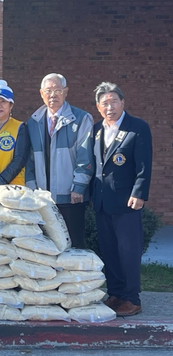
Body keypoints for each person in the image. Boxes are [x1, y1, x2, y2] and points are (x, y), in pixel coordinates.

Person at [92, 82, 152, 317]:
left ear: (122, 103)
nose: (110, 107)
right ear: (98, 106)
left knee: (128, 251)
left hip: (127, 201)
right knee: (109, 251)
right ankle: (115, 293)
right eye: (104, 103)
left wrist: (139, 193)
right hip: (102, 201)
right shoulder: (97, 129)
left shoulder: (137, 127)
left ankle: (132, 298)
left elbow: (144, 165)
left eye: (113, 101)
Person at [25, 73, 94, 248]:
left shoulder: (81, 119)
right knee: (46, 246)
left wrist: (78, 187)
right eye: (48, 91)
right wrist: (33, 191)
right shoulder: (33, 122)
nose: (53, 95)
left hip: (70, 196)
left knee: (74, 244)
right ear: (41, 93)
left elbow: (85, 156)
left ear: (66, 92)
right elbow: (29, 160)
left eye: (57, 90)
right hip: (43, 199)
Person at [0, 80, 30, 191]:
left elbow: (19, 159)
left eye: (3, 101)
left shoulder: (20, 128)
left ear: (10, 105)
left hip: (12, 189)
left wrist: (0, 180)